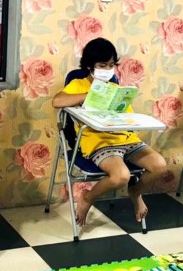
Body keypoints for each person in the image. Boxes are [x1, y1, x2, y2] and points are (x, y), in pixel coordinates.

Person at [51, 37, 168, 226]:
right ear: (90, 66)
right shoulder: (78, 84)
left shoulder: (115, 88)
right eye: (102, 65)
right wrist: (88, 95)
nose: (107, 70)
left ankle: (135, 192)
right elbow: (57, 101)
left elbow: (128, 118)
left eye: (111, 65)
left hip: (125, 138)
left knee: (160, 165)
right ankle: (87, 197)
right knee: (122, 176)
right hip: (98, 142)